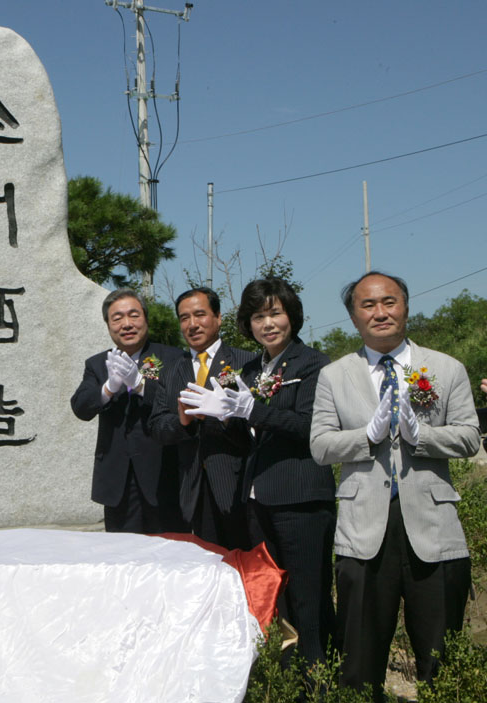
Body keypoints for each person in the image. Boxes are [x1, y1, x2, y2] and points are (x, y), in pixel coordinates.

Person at [310, 271, 479, 700]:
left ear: (405, 306)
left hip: (433, 527)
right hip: (364, 530)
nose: (380, 312)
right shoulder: (335, 375)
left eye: (389, 302)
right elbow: (321, 446)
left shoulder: (444, 367)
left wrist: (421, 436)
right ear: (353, 317)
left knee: (441, 659)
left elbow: (468, 436)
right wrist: (367, 436)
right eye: (368, 305)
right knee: (359, 663)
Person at [223, 278, 335, 666]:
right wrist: (226, 417)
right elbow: (250, 437)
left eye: (275, 313)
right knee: (272, 591)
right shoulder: (251, 369)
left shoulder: (315, 365)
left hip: (300, 495)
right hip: (258, 497)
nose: (267, 323)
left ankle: (317, 678)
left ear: (292, 316)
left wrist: (252, 411)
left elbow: (309, 426)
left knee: (308, 593)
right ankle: (283, 674)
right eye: (257, 316)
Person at [70, 288, 185, 533]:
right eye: (117, 318)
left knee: (168, 554)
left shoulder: (174, 358)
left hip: (163, 476)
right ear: (108, 325)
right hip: (117, 481)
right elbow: (80, 407)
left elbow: (178, 404)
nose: (126, 324)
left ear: (146, 318)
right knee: (122, 558)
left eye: (134, 315)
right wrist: (108, 388)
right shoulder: (98, 363)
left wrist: (141, 385)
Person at [149, 287, 254, 550]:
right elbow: (157, 426)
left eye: (199, 315)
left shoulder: (246, 362)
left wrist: (226, 416)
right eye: (184, 318)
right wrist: (182, 422)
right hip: (192, 488)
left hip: (238, 483)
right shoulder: (172, 370)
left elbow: (258, 422)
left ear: (218, 317)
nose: (192, 324)